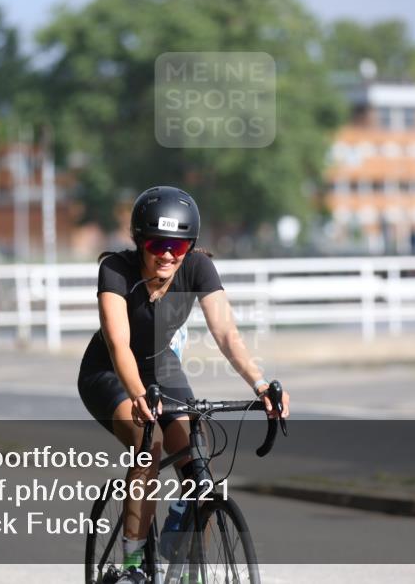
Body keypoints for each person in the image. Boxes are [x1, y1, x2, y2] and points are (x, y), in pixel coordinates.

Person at [77, 185, 290, 577]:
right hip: (108, 371)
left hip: (162, 367)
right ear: (140, 241)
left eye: (178, 246)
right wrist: (139, 395)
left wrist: (259, 385)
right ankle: (134, 562)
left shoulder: (197, 268)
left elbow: (226, 333)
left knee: (198, 463)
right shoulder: (116, 270)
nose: (167, 254)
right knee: (150, 445)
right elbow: (117, 341)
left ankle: (190, 565)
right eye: (158, 244)